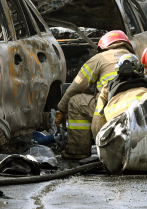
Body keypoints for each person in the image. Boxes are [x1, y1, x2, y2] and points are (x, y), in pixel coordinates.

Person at [55, 30, 135, 159]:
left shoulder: (99, 58)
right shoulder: (134, 59)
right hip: (135, 111)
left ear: (103, 46)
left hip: (110, 108)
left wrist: (61, 110)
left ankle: (78, 150)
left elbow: (76, 87)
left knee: (76, 102)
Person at [91, 53, 147, 138]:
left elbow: (98, 121)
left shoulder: (107, 89)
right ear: (141, 69)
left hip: (117, 134)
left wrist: (100, 140)